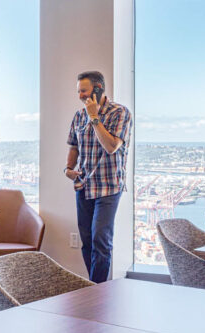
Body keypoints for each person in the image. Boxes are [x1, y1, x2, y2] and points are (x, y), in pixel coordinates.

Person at [64, 71, 131, 283]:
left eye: (83, 90)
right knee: (87, 241)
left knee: (101, 240)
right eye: (78, 91)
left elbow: (111, 146)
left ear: (98, 88)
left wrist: (94, 117)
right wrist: (68, 168)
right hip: (84, 184)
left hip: (109, 186)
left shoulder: (119, 113)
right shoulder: (78, 115)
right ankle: (94, 285)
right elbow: (74, 145)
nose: (80, 95)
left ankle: (96, 291)